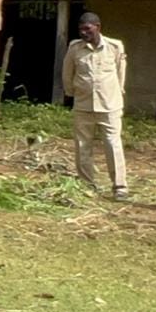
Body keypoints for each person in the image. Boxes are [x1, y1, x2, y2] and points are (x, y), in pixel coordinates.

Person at [62, 11, 128, 200]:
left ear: (97, 27)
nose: (84, 33)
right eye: (81, 29)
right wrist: (71, 94)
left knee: (113, 145)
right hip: (83, 106)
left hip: (109, 106)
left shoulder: (114, 47)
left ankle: (120, 186)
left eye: (88, 29)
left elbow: (120, 73)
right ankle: (87, 185)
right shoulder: (75, 48)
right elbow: (67, 73)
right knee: (83, 146)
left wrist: (117, 94)